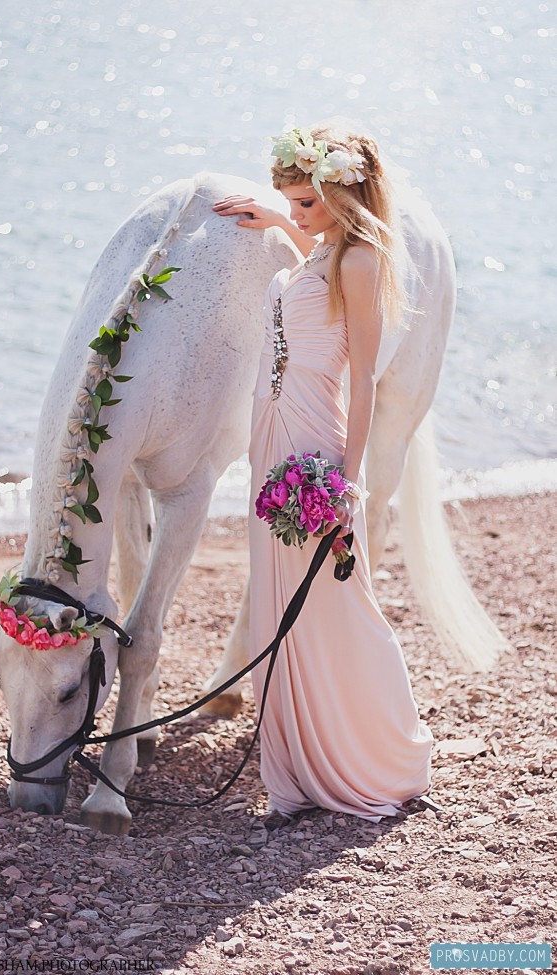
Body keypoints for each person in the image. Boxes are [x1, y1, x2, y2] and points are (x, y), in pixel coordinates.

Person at [213, 121, 434, 827]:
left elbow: (362, 379)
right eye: (293, 202)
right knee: (282, 600)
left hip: (313, 443)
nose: (298, 214)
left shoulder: (362, 261)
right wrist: (282, 219)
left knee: (339, 604)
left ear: (342, 195)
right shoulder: (328, 249)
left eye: (307, 202)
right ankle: (297, 767)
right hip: (271, 435)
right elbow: (315, 262)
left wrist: (346, 479)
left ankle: (376, 757)